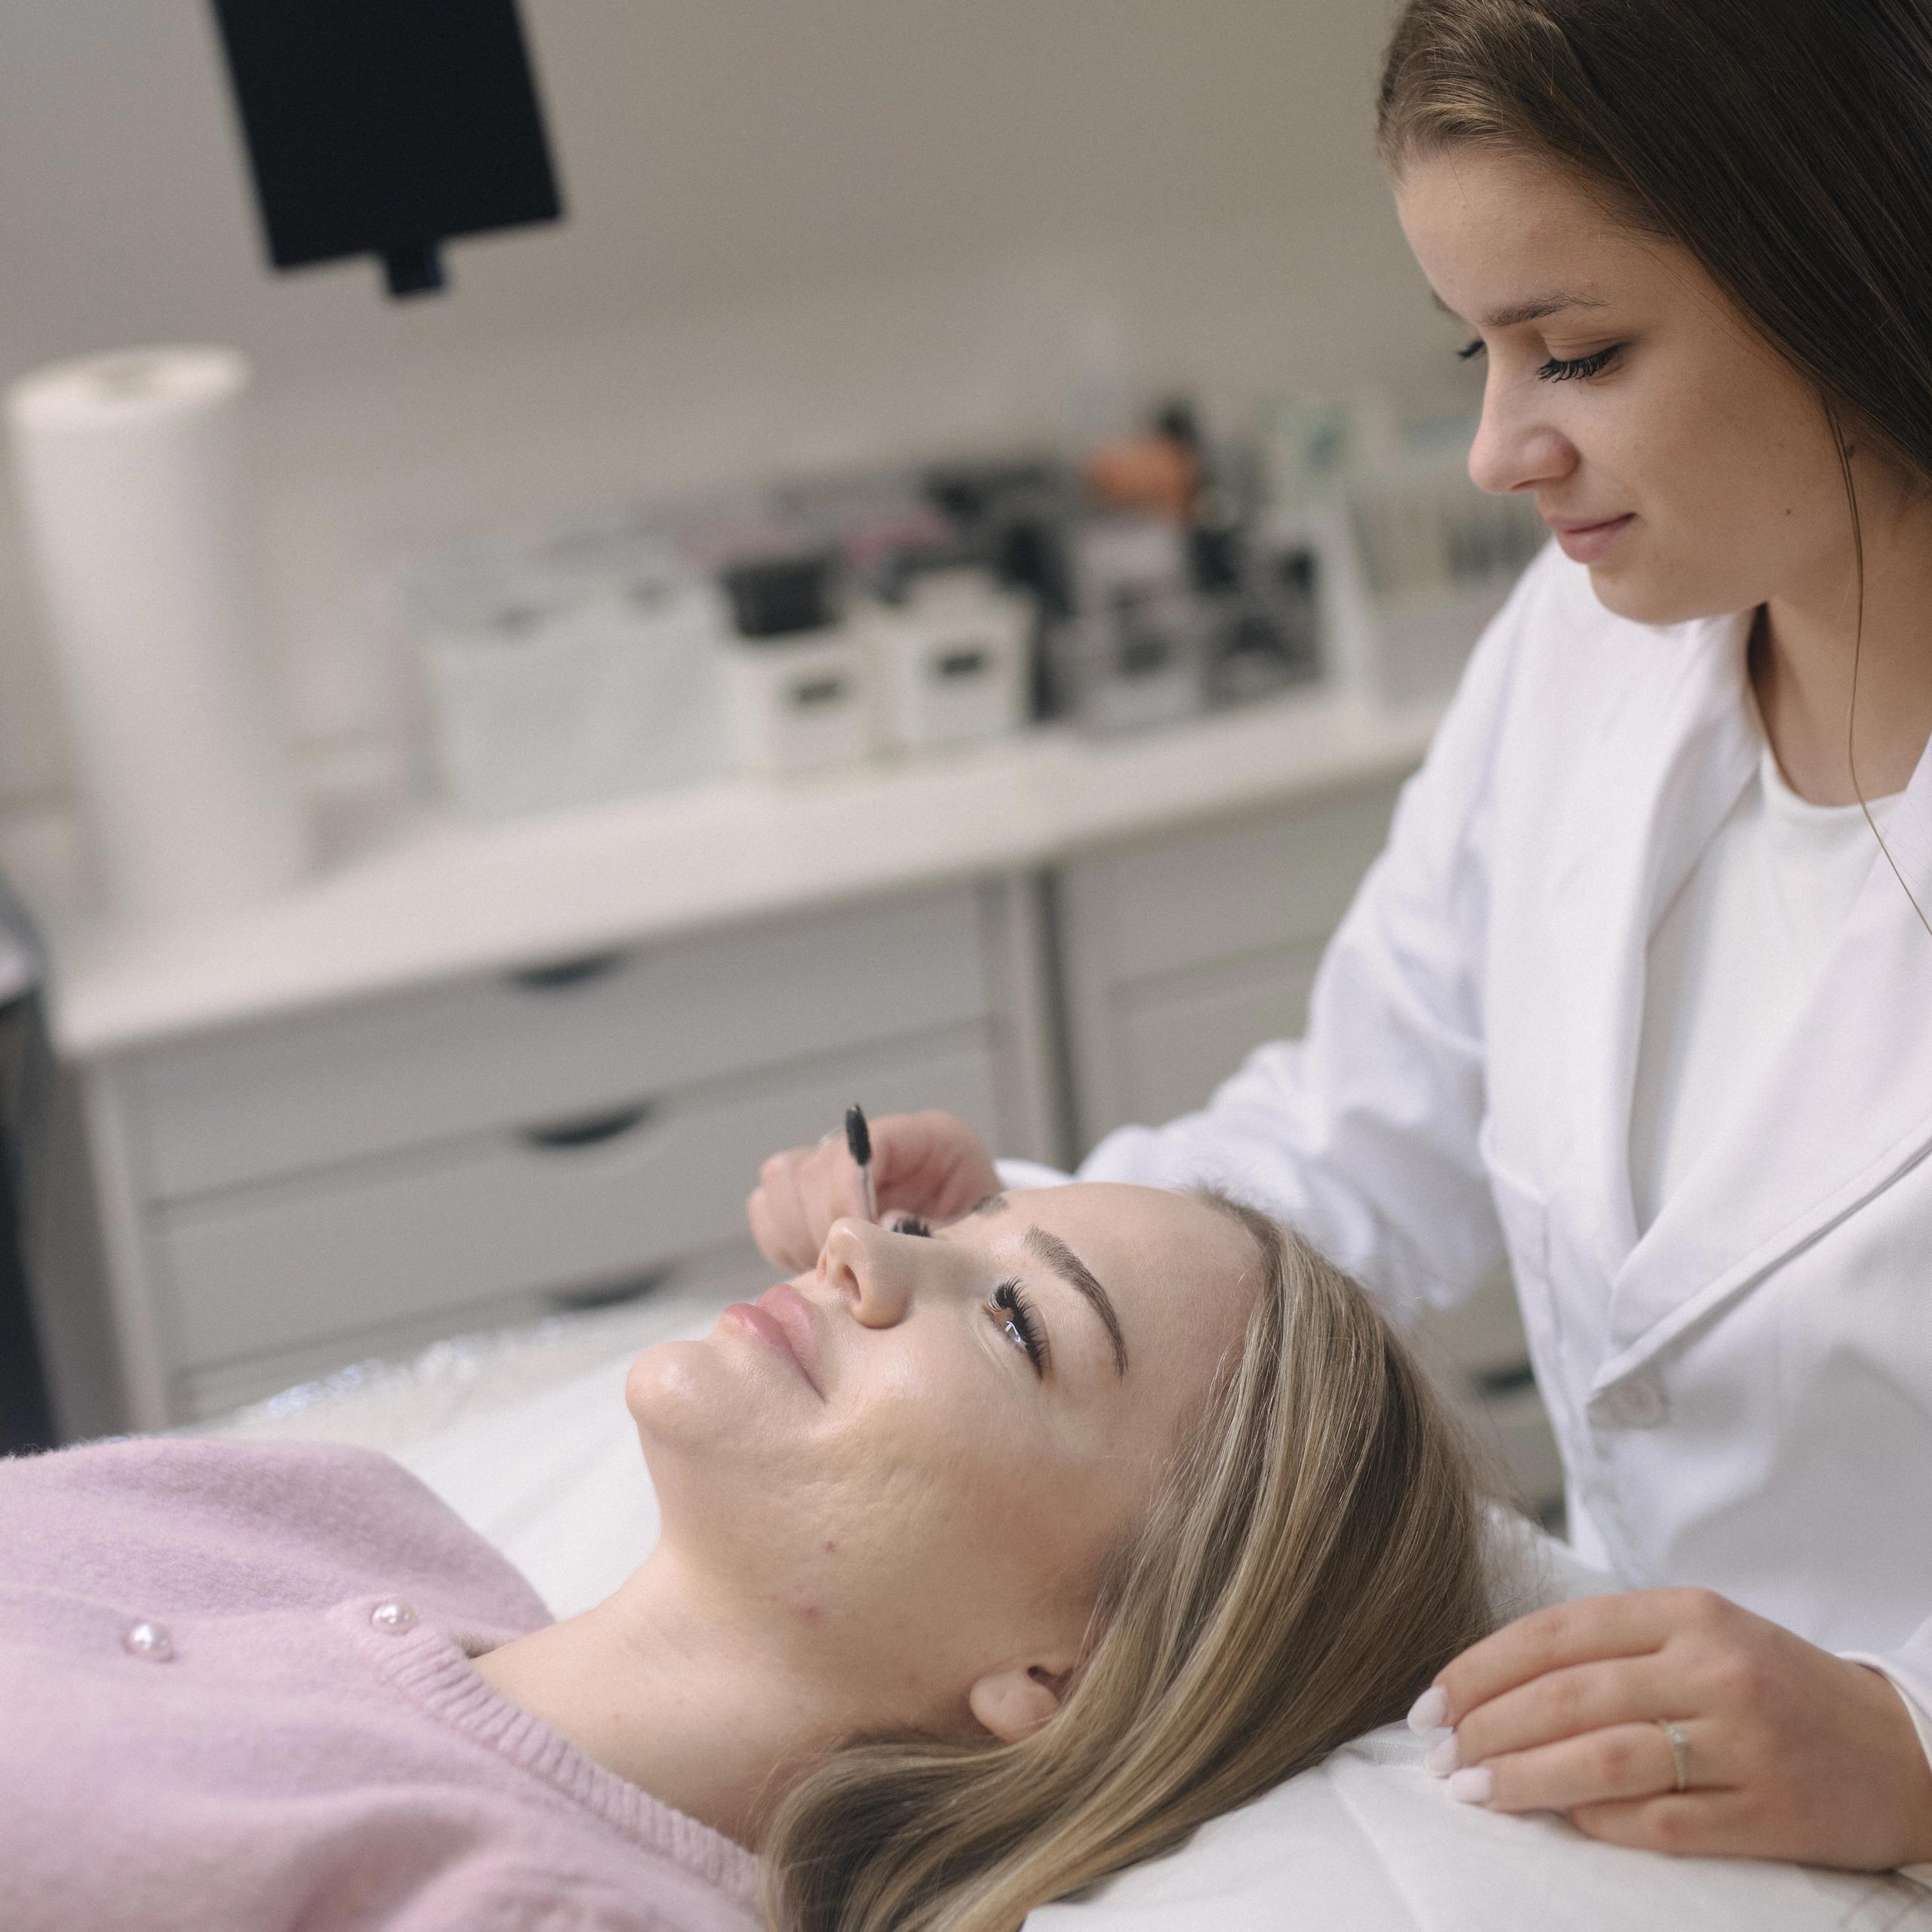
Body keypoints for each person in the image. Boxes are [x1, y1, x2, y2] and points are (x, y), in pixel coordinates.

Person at [746, 0, 1932, 1879]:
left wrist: (1906, 1744)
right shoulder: (1582, 659)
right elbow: (1354, 1138)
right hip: (1660, 1833)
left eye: (1578, 352)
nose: (1492, 450)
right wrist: (1012, 1257)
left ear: (1855, 255)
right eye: (1475, 348)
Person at [0, 1183, 1491, 1932]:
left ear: (1065, 1667)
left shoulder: (544, 1905)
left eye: (1015, 1320)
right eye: (935, 1220)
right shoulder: (335, 1510)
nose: (859, 1250)